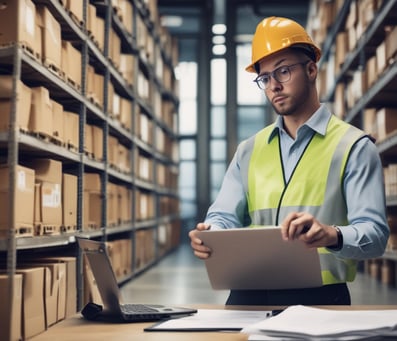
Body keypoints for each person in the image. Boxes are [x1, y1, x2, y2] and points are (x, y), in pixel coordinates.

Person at [189, 16, 390, 306]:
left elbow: (375, 236)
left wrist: (330, 235)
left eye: (283, 71)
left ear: (311, 70)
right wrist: (211, 234)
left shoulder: (354, 147)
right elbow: (223, 215)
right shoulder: (249, 150)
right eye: (265, 78)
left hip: (319, 298)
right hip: (247, 294)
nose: (274, 86)